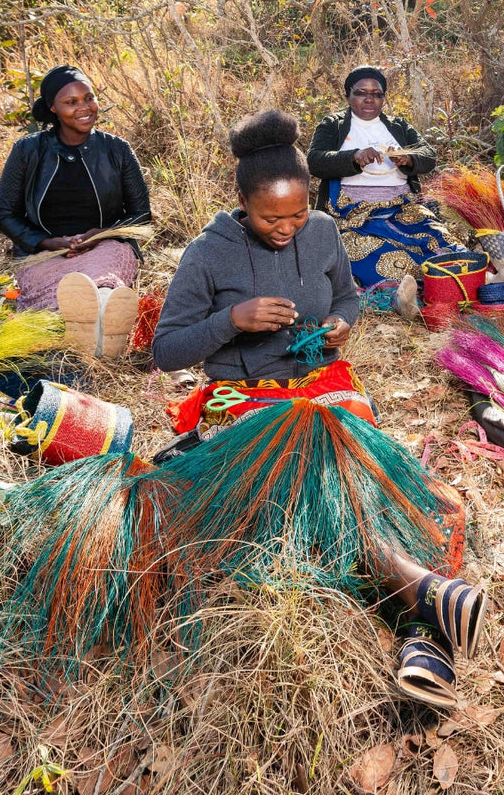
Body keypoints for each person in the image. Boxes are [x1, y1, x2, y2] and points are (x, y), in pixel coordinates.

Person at [152, 109, 482, 710]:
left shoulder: (326, 230)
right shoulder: (208, 253)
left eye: (298, 214)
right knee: (315, 469)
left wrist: (338, 325)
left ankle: (421, 635)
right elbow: (166, 349)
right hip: (244, 396)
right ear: (242, 206)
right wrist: (232, 320)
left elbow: (347, 297)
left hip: (322, 381)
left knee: (374, 474)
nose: (286, 228)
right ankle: (417, 597)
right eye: (269, 218)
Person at [0, 65, 151, 357]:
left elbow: (142, 214)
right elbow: (4, 212)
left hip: (103, 247)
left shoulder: (117, 150)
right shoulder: (27, 150)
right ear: (53, 107)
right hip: (45, 252)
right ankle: (88, 323)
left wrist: (101, 234)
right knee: (66, 289)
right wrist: (44, 242)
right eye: (71, 102)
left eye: (89, 98)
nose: (85, 108)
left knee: (102, 278)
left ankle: (103, 313)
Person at [307, 66, 458, 291]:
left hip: (403, 208)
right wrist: (353, 157)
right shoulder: (333, 125)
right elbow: (314, 161)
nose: (369, 99)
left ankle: (472, 281)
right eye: (361, 93)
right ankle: (405, 295)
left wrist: (408, 158)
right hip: (352, 214)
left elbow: (429, 156)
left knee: (439, 239)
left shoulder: (398, 126)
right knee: (373, 251)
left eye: (376, 94)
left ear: (383, 99)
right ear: (348, 95)